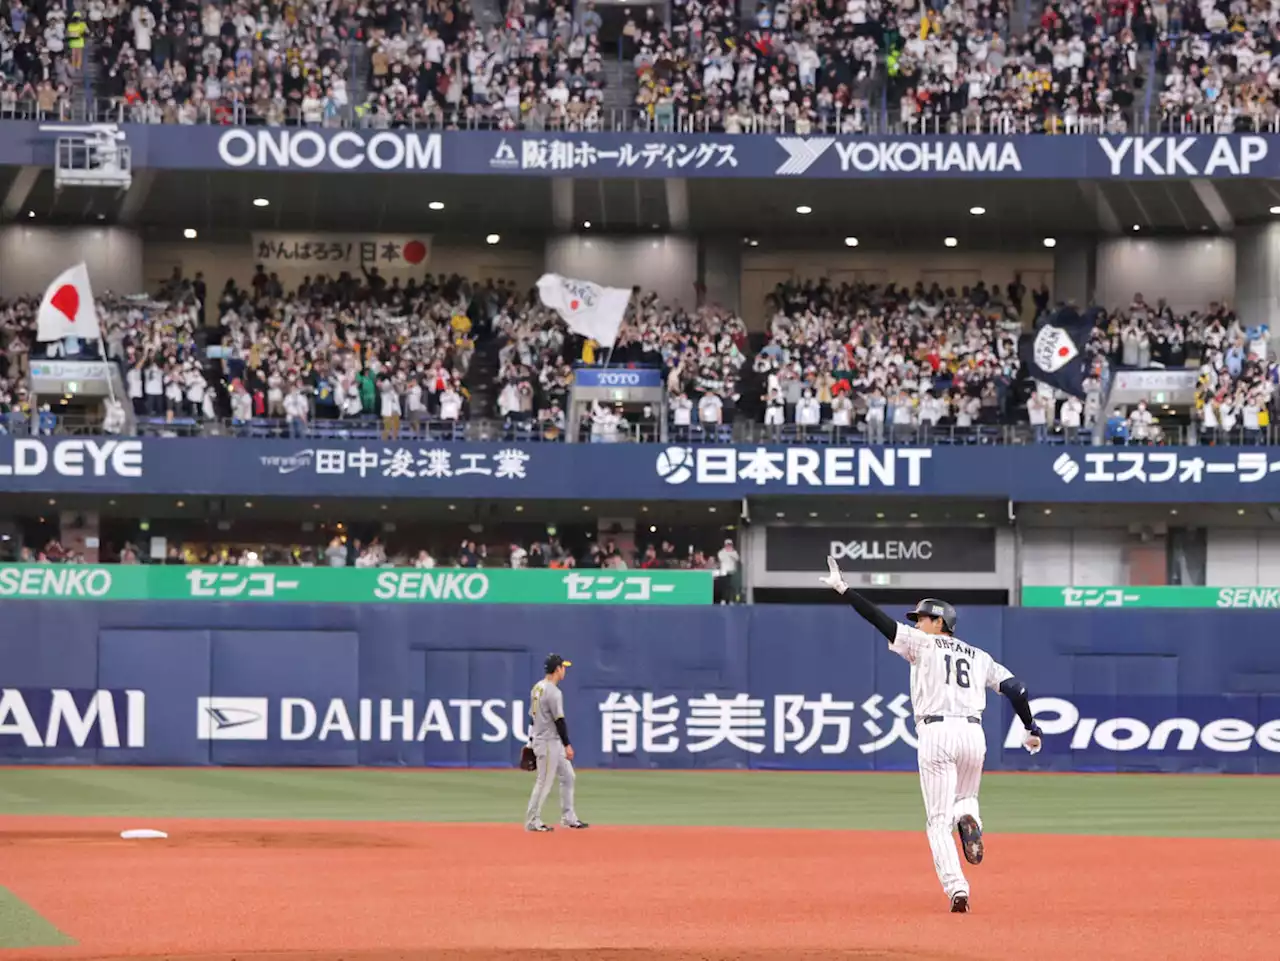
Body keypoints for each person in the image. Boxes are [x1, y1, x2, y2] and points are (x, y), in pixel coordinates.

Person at [819, 557, 1044, 913]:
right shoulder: (979, 655)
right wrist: (1031, 727)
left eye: (921, 618)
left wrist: (845, 590)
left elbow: (879, 621)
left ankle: (958, 890)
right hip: (973, 734)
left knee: (938, 822)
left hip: (936, 733)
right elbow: (1016, 688)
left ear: (939, 621)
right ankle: (970, 820)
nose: (917, 623)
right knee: (966, 798)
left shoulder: (924, 644)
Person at [524, 653, 588, 832]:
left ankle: (568, 817)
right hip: (548, 742)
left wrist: (530, 741)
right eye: (563, 667)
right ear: (557, 669)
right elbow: (559, 720)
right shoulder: (553, 691)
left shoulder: (537, 687)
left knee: (568, 776)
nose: (564, 670)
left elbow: (532, 717)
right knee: (544, 782)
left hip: (545, 740)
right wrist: (567, 745)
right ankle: (532, 820)